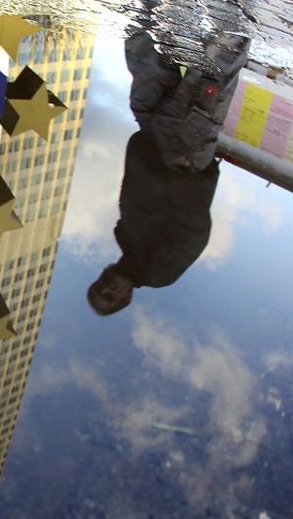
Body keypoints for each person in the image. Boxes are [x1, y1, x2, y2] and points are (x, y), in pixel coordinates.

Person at [87, 32, 249, 316]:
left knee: (142, 43)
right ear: (125, 298)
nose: (107, 287)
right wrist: (183, 176)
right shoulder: (159, 273)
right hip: (182, 148)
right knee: (220, 57)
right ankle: (239, 0)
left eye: (99, 287)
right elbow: (194, 233)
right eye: (110, 296)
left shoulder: (124, 236)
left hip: (149, 132)